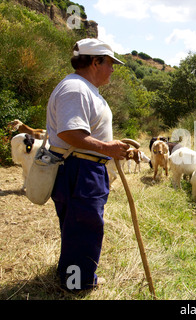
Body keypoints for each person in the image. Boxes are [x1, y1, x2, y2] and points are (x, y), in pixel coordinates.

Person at [46, 38, 130, 291]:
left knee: (78, 226)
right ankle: (76, 284)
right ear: (95, 62)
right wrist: (106, 149)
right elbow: (70, 133)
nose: (113, 69)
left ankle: (74, 274)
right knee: (83, 226)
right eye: (110, 63)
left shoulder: (83, 88)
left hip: (84, 168)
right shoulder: (75, 89)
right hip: (79, 169)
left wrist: (110, 148)